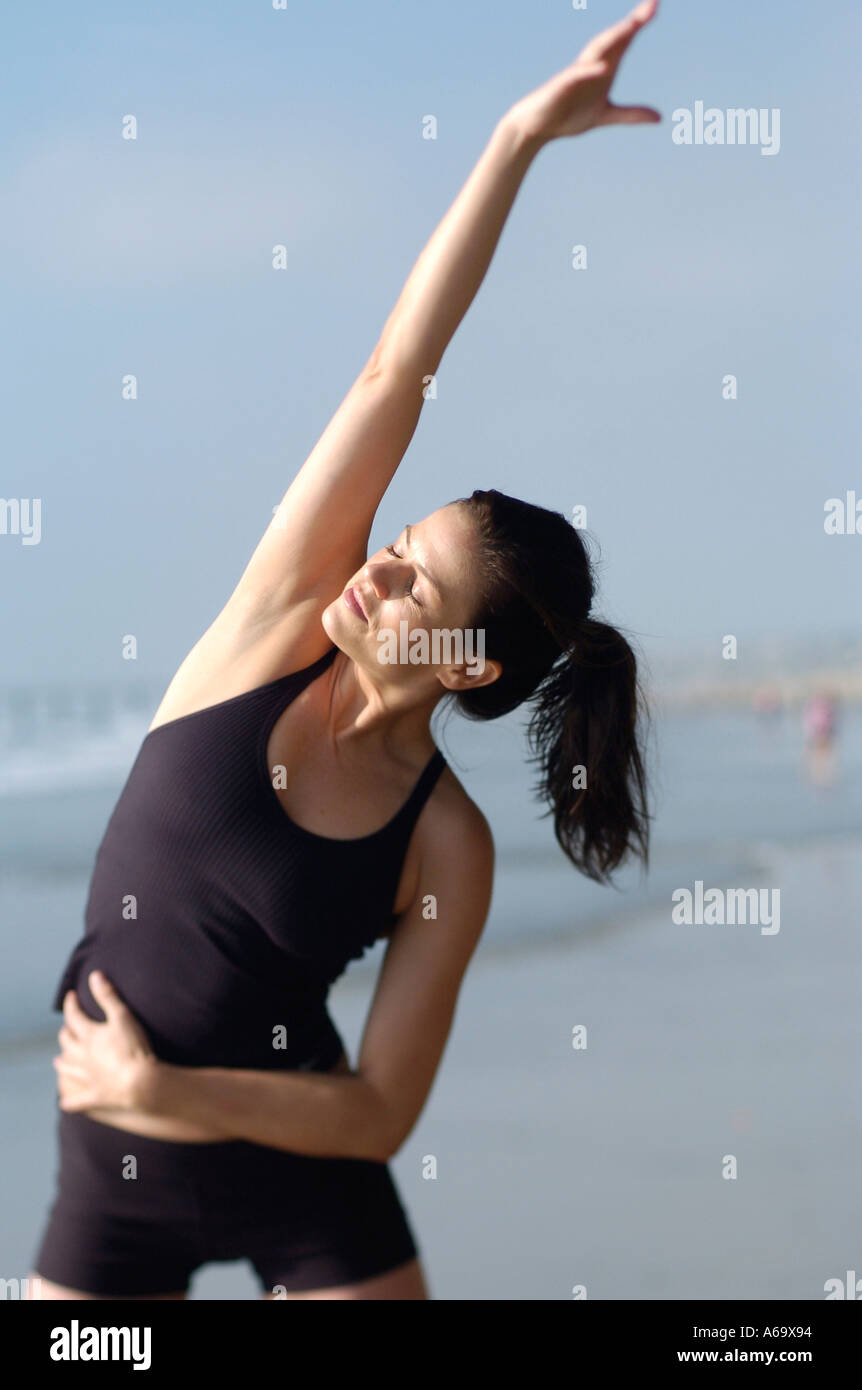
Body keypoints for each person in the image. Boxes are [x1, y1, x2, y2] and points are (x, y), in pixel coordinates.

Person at [29, 0, 658, 1302]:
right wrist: (512, 142)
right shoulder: (277, 618)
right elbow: (395, 370)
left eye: (411, 575)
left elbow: (377, 1110)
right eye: (397, 533)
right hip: (117, 1177)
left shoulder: (445, 844)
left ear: (466, 662)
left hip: (297, 1154)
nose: (374, 563)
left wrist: (168, 1083)